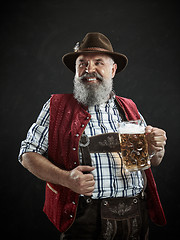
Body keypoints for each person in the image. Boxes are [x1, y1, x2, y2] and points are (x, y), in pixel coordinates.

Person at [19, 32, 167, 240]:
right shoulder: (57, 107)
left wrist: (156, 148)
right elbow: (27, 154)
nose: (89, 69)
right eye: (82, 63)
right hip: (85, 221)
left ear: (113, 70)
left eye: (99, 62)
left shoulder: (130, 108)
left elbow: (153, 161)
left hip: (136, 218)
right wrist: (67, 179)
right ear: (75, 70)